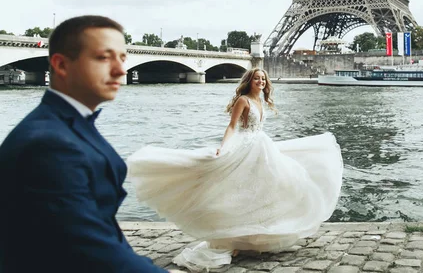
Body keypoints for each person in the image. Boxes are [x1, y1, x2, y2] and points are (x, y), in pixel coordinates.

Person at [0, 16, 182, 272]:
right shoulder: (47, 145)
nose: (121, 70)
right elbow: (90, 250)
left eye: (122, 58)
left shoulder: (61, 125)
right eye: (104, 58)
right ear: (61, 65)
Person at [127, 68, 344, 271]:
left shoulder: (260, 100)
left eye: (263, 79)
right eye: (257, 78)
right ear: (250, 81)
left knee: (265, 190)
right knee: (240, 191)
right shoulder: (243, 100)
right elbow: (232, 126)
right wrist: (224, 147)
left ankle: (255, 236)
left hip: (262, 147)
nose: (261, 81)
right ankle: (235, 237)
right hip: (247, 147)